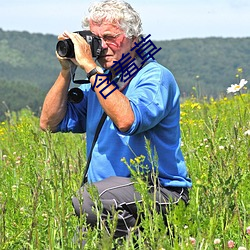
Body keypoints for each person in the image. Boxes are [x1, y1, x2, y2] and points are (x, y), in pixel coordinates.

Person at [40, 0, 192, 244]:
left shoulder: (154, 77)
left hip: (160, 192)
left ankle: (146, 241)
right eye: (96, 39)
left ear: (134, 38)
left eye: (110, 37)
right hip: (110, 200)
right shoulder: (102, 83)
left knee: (88, 200)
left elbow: (127, 120)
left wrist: (90, 67)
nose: (102, 47)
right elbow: (49, 123)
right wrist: (66, 70)